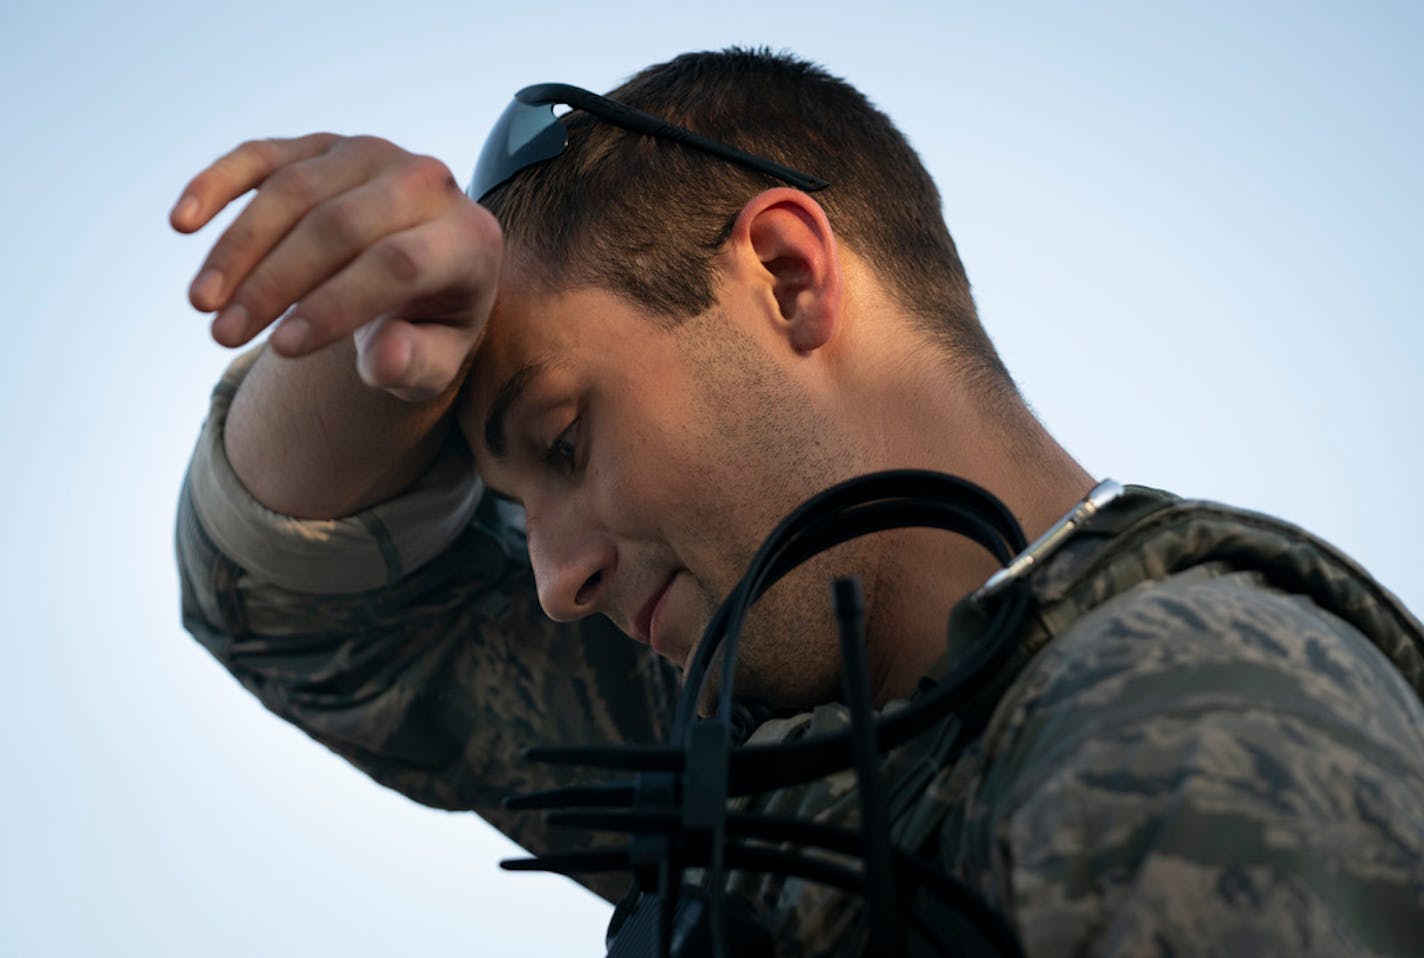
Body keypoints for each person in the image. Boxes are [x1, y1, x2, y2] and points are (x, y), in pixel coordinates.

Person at [172, 48, 1424, 956]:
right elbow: (293, 613)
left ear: (783, 275)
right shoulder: (771, 717)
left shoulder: (1187, 713)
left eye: (562, 440)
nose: (554, 584)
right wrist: (373, 364)